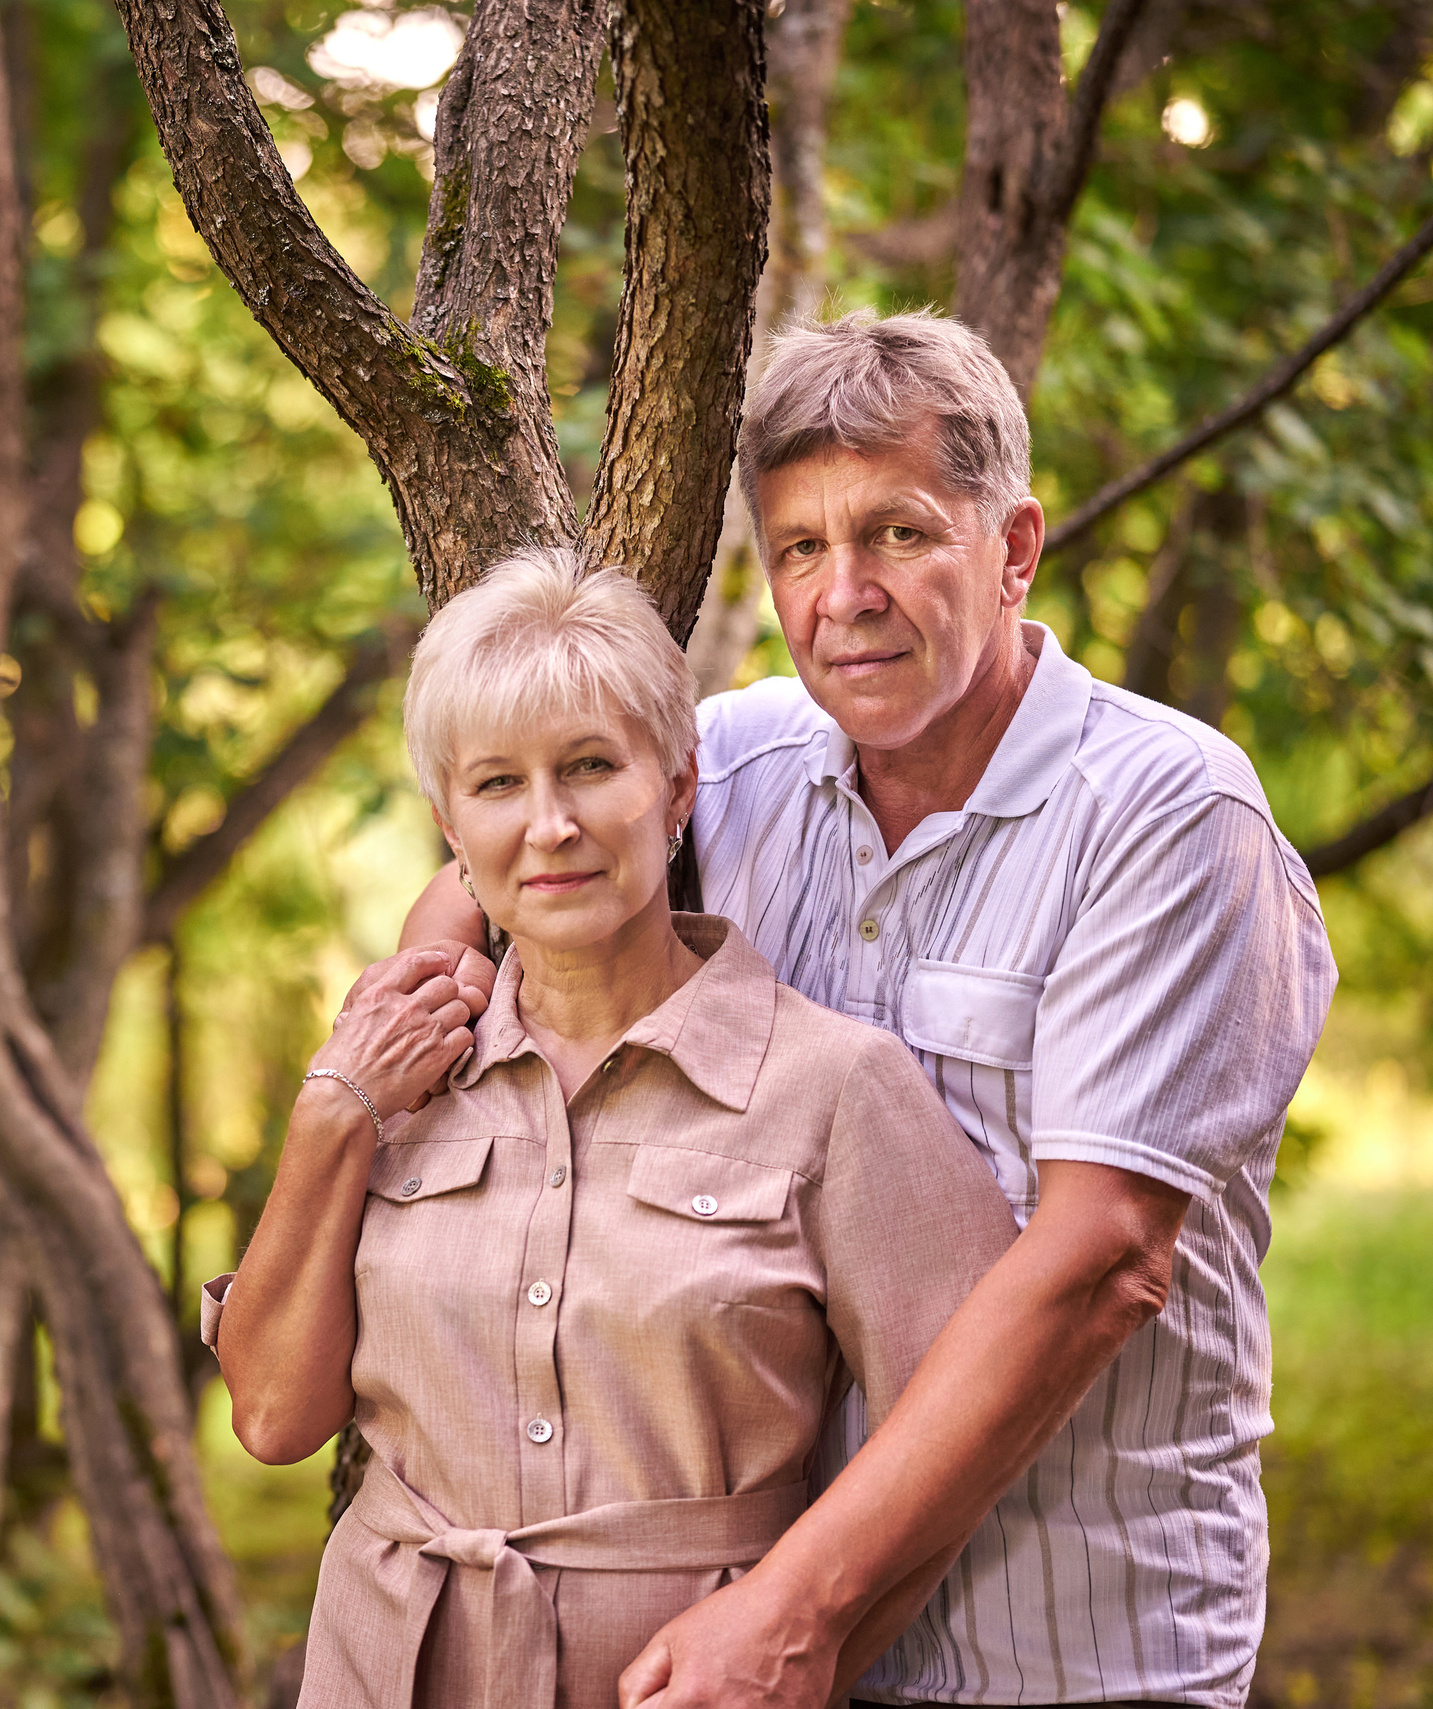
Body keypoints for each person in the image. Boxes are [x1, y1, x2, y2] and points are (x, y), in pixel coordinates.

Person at [399, 310, 1338, 1709]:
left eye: (899, 534)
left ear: (1013, 548)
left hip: (1069, 1643)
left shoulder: (1167, 816)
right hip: (787, 1649)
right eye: (800, 548)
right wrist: (416, 999)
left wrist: (795, 1606)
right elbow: (509, 863)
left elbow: (1102, 1260)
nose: (845, 593)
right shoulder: (739, 762)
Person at [206, 554, 1020, 1708]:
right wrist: (332, 1109)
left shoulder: (836, 1088)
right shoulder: (396, 1070)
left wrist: (810, 1640)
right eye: (497, 784)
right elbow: (276, 1415)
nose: (550, 825)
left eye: (591, 767)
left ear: (678, 788)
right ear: (451, 824)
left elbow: (963, 1440)